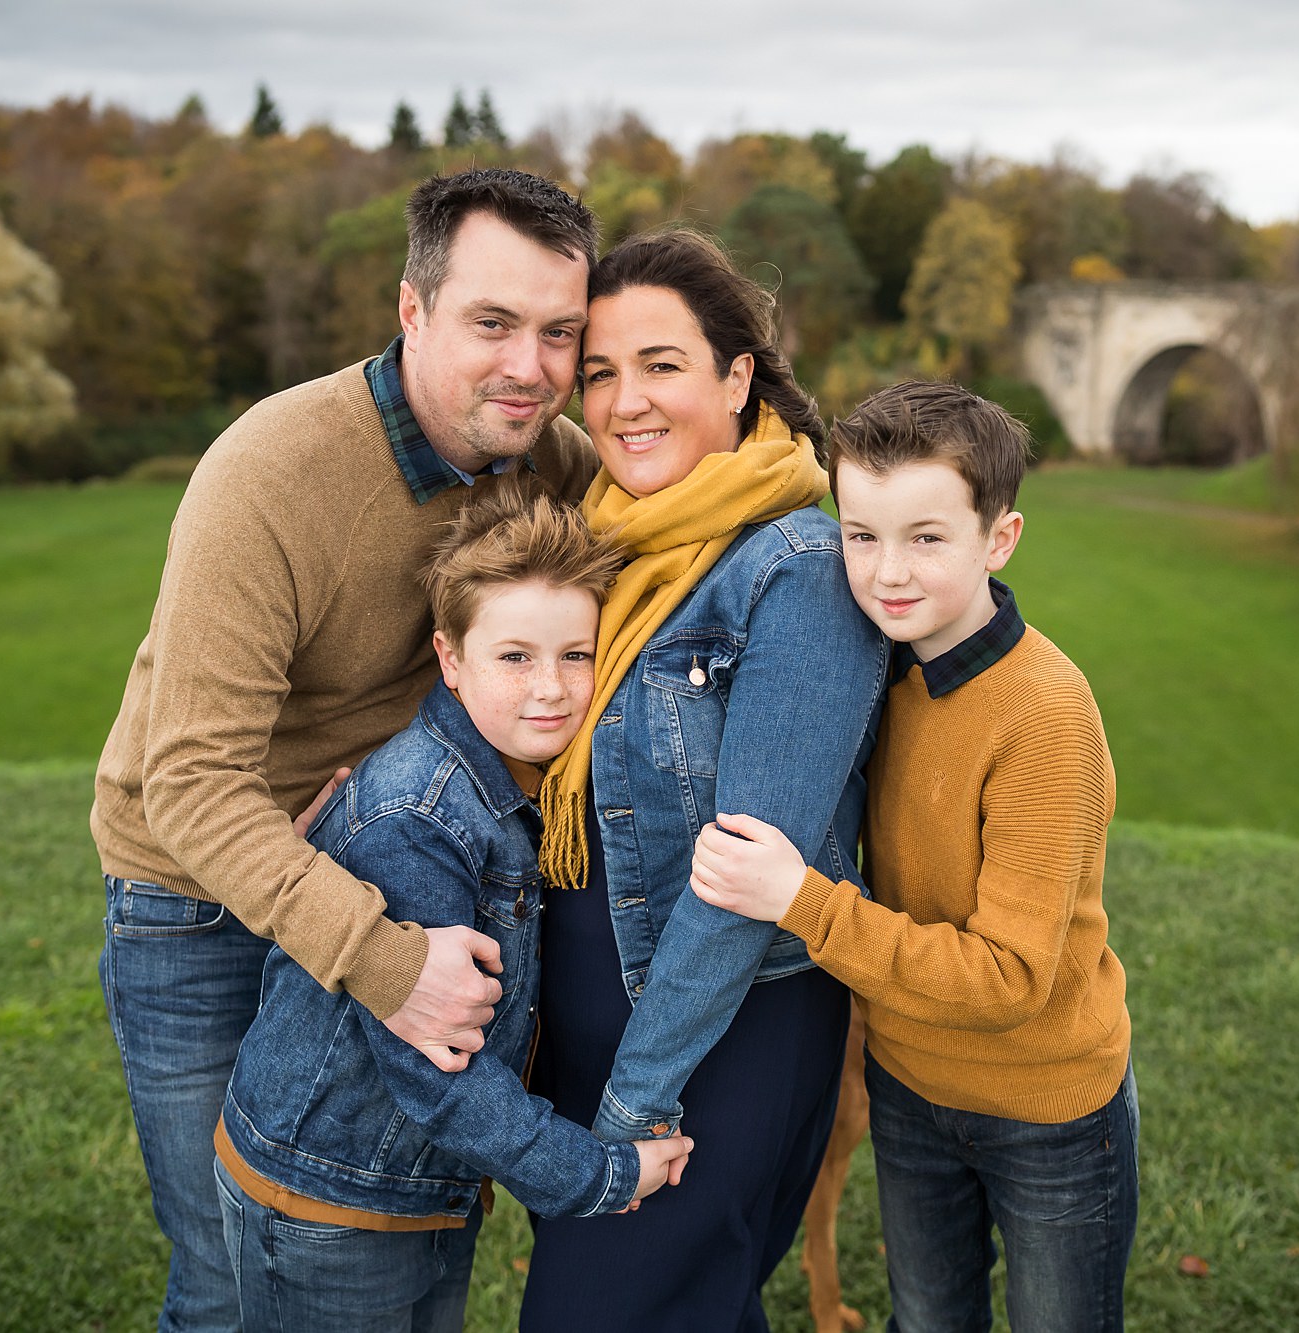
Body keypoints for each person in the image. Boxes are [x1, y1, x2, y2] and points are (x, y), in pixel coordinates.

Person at [90, 168, 600, 1331]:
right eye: (491, 323)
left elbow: (685, 480)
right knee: (229, 1267)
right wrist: (380, 960)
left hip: (383, 864)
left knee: (390, 1218)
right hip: (194, 897)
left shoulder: (548, 459)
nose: (530, 366)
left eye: (558, 332)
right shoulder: (270, 472)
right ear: (411, 310)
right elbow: (191, 784)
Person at [691, 381, 1137, 1333]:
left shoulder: (1043, 716)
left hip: (1045, 1105)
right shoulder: (879, 667)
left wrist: (800, 902)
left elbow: (1011, 976)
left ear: (1000, 539)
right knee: (930, 1319)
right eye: (861, 535)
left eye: (927, 538)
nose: (887, 571)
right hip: (907, 1086)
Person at [518, 229, 887, 1332]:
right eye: (600, 371)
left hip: (716, 1042)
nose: (624, 400)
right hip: (581, 1026)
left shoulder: (799, 571)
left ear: (737, 377)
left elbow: (742, 875)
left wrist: (636, 1101)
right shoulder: (604, 545)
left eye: (662, 365)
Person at [214, 487, 693, 1333]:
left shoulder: (531, 778)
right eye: (515, 657)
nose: (551, 688)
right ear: (450, 657)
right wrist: (599, 1174)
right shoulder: (422, 819)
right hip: (328, 1197)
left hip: (420, 1186)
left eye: (575, 655)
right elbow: (437, 1074)